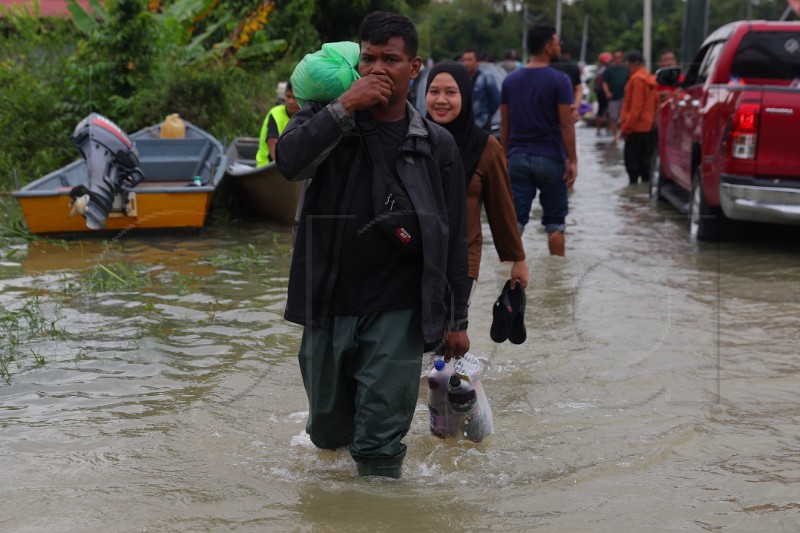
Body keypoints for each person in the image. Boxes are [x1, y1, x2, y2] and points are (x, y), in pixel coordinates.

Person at [275, 11, 471, 479]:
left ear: (414, 67)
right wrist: (344, 107)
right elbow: (288, 161)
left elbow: (454, 234)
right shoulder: (328, 122)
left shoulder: (436, 146)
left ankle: (379, 513)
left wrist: (456, 319)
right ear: (358, 63)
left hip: (396, 310)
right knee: (327, 434)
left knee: (379, 447)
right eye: (369, 58)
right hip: (328, 300)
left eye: (391, 59)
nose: (379, 68)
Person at [424, 61, 528, 295]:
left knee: (452, 330)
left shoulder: (486, 147)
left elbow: (501, 207)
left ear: (466, 96)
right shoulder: (413, 138)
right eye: (434, 92)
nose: (441, 100)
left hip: (462, 261)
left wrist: (517, 260)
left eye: (451, 92)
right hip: (413, 256)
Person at [500, 24, 577, 257]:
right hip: (551, 158)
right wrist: (573, 159)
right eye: (556, 42)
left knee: (516, 222)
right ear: (547, 47)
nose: (558, 46)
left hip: (519, 158)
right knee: (555, 224)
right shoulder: (560, 80)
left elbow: (505, 123)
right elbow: (566, 124)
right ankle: (557, 280)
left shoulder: (510, 81)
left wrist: (505, 155)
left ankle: (508, 278)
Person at [620, 50, 659, 184]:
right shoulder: (650, 79)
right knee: (646, 167)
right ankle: (642, 200)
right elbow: (656, 104)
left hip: (635, 129)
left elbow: (635, 108)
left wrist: (626, 128)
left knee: (633, 169)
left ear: (630, 63)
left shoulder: (636, 80)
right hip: (648, 128)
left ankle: (634, 200)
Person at [256, 82, 299, 166]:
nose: (290, 101)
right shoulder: (275, 114)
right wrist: (280, 170)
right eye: (288, 97)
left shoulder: (304, 116)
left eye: (294, 98)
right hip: (266, 167)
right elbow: (272, 144)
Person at [460, 49, 500, 131]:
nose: (466, 63)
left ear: (477, 62)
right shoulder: (461, 79)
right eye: (464, 60)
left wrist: (486, 115)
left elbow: (496, 100)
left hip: (482, 123)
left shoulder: (486, 77)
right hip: (465, 124)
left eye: (469, 60)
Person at [601, 50, 628, 144]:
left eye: (619, 57)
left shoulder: (626, 69)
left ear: (622, 58)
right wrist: (607, 92)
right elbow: (604, 83)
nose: (618, 59)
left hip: (625, 97)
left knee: (624, 117)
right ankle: (615, 136)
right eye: (616, 57)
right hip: (613, 97)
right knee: (613, 118)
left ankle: (622, 134)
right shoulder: (608, 70)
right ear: (613, 59)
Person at [551, 47, 583, 123]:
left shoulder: (548, 63)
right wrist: (576, 108)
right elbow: (578, 89)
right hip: (569, 105)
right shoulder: (573, 65)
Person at [593, 52, 612, 135]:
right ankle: (606, 129)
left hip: (600, 92)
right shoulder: (606, 70)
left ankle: (599, 130)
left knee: (601, 111)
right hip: (604, 92)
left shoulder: (599, 69)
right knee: (606, 110)